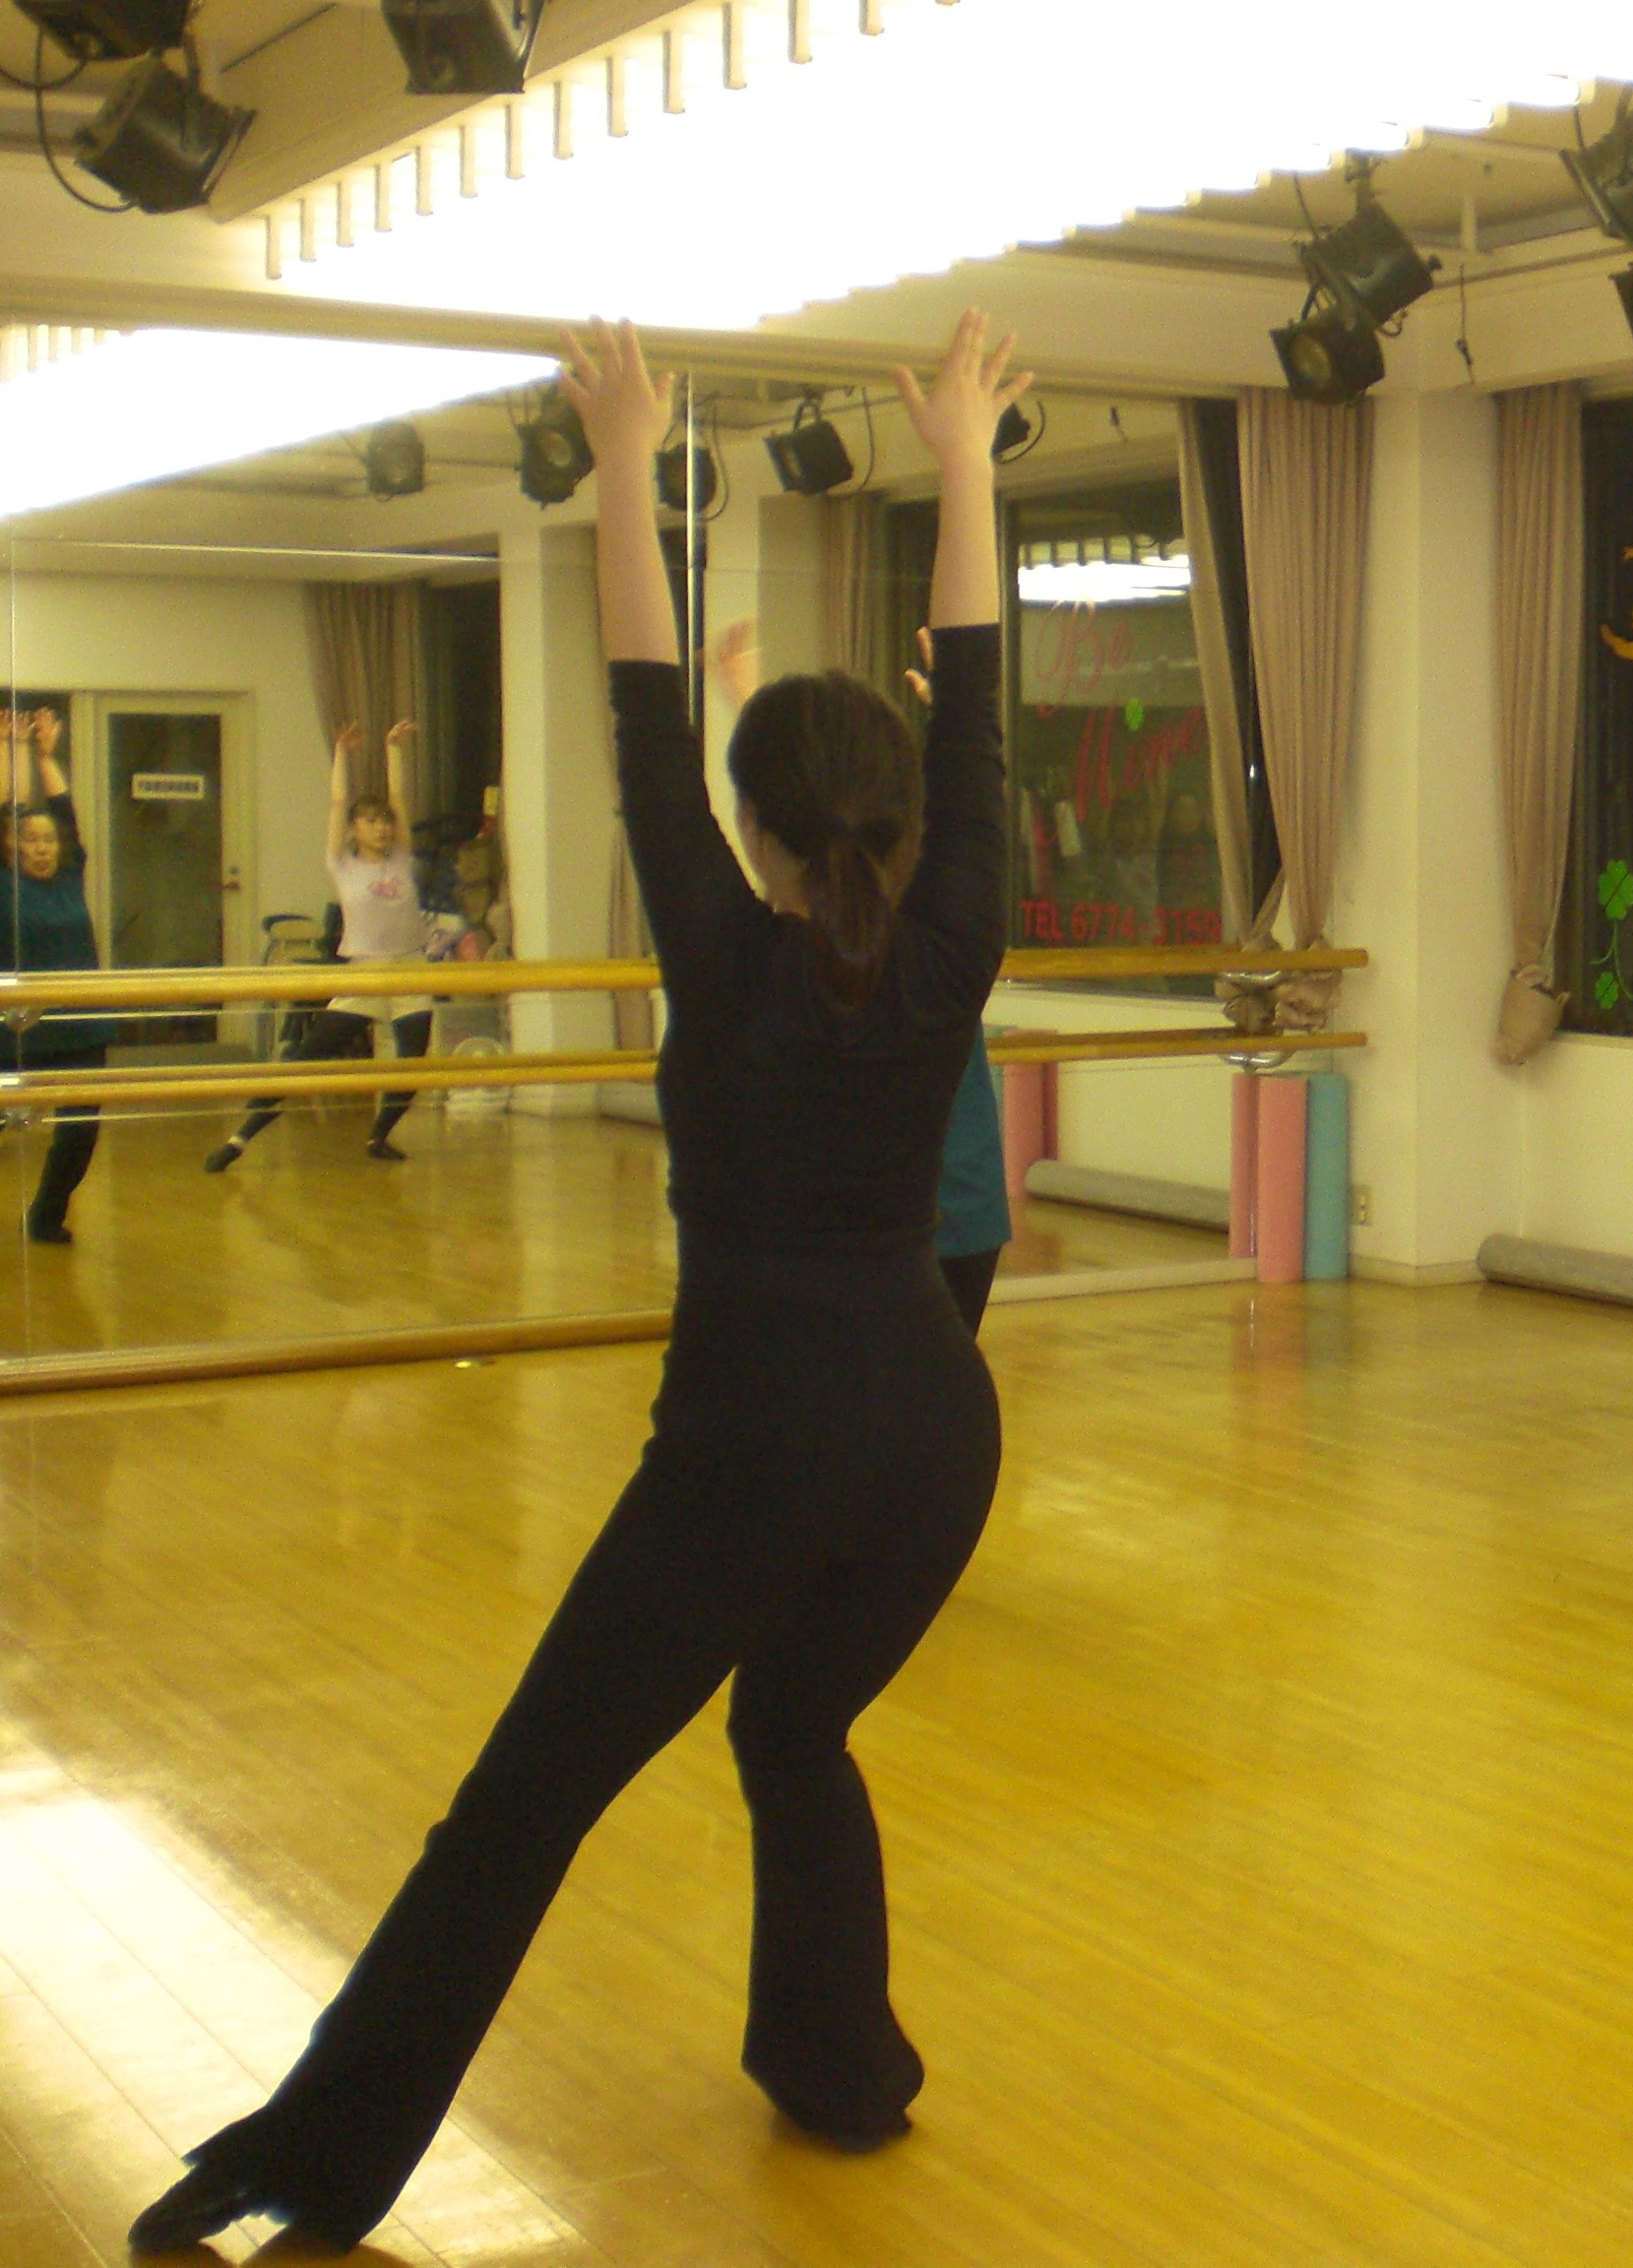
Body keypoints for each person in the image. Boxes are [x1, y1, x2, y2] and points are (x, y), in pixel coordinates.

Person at [131, 309, 1030, 2253]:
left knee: (520, 1805)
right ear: (894, 826)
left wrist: (626, 460)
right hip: (935, 1435)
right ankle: (841, 2068)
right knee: (794, 1728)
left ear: (755, 831)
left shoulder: (725, 948)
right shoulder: (959, 928)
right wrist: (963, 459)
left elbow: (646, 713)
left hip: (755, 1446)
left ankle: (317, 2157)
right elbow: (974, 710)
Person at [714, 614, 1013, 1328]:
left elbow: (817, 816)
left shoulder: (926, 901)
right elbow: (814, 811)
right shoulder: (915, 908)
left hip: (943, 1209)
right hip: (942, 1211)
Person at [206, 720, 436, 1170]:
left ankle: (378, 1135)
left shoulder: (402, 858)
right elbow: (336, 803)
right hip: (365, 973)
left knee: (413, 1063)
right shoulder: (342, 865)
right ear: (353, 830)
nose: (382, 828)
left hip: (412, 968)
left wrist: (392, 749)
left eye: (385, 822)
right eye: (370, 822)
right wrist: (341, 755)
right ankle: (238, 1139)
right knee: (308, 1059)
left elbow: (399, 798)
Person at [3, 706, 118, 1243]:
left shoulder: (70, 876)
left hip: (80, 1027)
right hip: (14, 1028)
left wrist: (46, 755)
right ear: (11, 846)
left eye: (48, 841)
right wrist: (12, 750)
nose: (41, 848)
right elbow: (5, 810)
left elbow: (66, 816)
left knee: (79, 1131)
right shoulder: (6, 882)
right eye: (29, 840)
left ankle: (47, 1214)